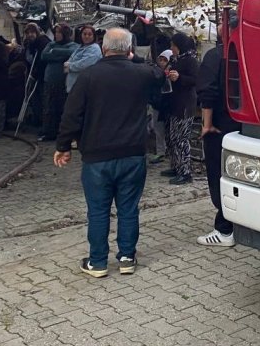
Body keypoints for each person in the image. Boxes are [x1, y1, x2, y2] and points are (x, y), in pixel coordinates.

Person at [54, 28, 164, 278]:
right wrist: (134, 57)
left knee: (98, 210)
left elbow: (71, 114)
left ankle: (97, 262)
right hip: (133, 154)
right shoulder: (141, 73)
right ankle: (127, 257)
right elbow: (159, 74)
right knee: (128, 208)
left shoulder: (90, 76)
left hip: (97, 156)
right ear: (129, 49)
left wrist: (63, 146)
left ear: (103, 48)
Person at [196, 40, 241, 247]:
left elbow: (208, 92)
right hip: (245, 125)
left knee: (219, 175)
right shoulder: (251, 49)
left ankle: (224, 229)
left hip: (220, 126)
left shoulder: (216, 56)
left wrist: (206, 124)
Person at [161, 32, 198, 185]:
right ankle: (177, 166)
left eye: (173, 46)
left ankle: (185, 171)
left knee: (181, 139)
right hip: (174, 103)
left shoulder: (190, 60)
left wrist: (180, 78)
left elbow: (196, 79)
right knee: (172, 137)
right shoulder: (177, 60)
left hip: (184, 105)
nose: (172, 49)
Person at [39, 24, 78, 141]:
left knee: (63, 107)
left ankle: (62, 133)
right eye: (56, 32)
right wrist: (60, 56)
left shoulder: (73, 45)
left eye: (59, 33)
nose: (57, 35)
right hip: (50, 80)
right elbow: (44, 56)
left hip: (64, 82)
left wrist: (55, 52)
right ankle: (48, 132)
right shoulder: (50, 44)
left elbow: (71, 53)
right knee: (48, 107)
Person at [22, 22, 50, 127]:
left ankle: (44, 122)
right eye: (28, 33)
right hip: (31, 74)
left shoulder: (42, 41)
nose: (30, 35)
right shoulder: (28, 44)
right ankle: (37, 119)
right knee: (34, 98)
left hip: (40, 76)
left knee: (42, 99)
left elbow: (42, 59)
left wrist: (36, 72)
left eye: (32, 32)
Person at [147, 49, 172, 164]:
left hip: (168, 105)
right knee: (158, 129)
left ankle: (168, 151)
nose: (162, 62)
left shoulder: (172, 72)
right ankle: (161, 151)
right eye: (160, 59)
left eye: (164, 60)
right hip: (157, 104)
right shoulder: (155, 72)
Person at [65, 25, 103, 94]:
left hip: (83, 88)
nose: (87, 36)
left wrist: (69, 66)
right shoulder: (80, 47)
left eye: (89, 34)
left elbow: (84, 64)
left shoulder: (94, 48)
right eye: (84, 34)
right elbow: (71, 59)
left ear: (94, 36)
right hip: (73, 86)